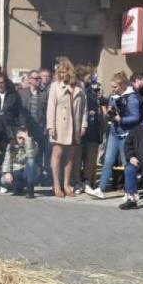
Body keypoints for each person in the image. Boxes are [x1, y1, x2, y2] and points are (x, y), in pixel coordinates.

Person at [88, 71, 143, 199]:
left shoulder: (132, 97)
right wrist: (109, 113)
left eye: (115, 87)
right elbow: (110, 112)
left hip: (126, 134)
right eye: (111, 87)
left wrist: (121, 119)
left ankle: (130, 191)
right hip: (114, 132)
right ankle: (100, 189)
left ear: (123, 85)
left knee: (126, 163)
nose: (112, 90)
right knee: (108, 161)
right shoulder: (114, 97)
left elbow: (136, 117)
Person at [45, 57, 87, 197]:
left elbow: (84, 108)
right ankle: (56, 185)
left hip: (75, 126)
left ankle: (66, 184)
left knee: (70, 157)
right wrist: (50, 126)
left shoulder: (80, 86)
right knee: (57, 155)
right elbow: (50, 107)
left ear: (70, 71)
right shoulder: (55, 86)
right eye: (60, 72)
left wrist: (84, 124)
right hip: (60, 125)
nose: (62, 74)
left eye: (64, 71)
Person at [17, 69, 49, 182]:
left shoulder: (44, 94)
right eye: (36, 78)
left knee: (38, 155)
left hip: (40, 129)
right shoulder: (21, 93)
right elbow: (18, 111)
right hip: (26, 129)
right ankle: (23, 178)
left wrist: (46, 128)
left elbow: (47, 112)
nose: (38, 80)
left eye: (39, 78)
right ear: (30, 80)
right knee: (25, 155)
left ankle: (37, 179)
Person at [78, 64, 102, 193]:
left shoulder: (93, 89)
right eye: (88, 75)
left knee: (90, 157)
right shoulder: (77, 88)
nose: (91, 78)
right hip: (81, 128)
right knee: (78, 156)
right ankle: (77, 181)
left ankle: (87, 181)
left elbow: (98, 105)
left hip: (93, 128)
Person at [2, 126, 39, 198]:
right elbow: (7, 160)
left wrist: (27, 140)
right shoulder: (11, 145)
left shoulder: (33, 144)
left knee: (31, 160)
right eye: (19, 138)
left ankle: (30, 190)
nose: (21, 140)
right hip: (15, 171)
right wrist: (7, 172)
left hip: (27, 172)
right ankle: (18, 188)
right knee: (3, 180)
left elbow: (31, 155)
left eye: (23, 138)